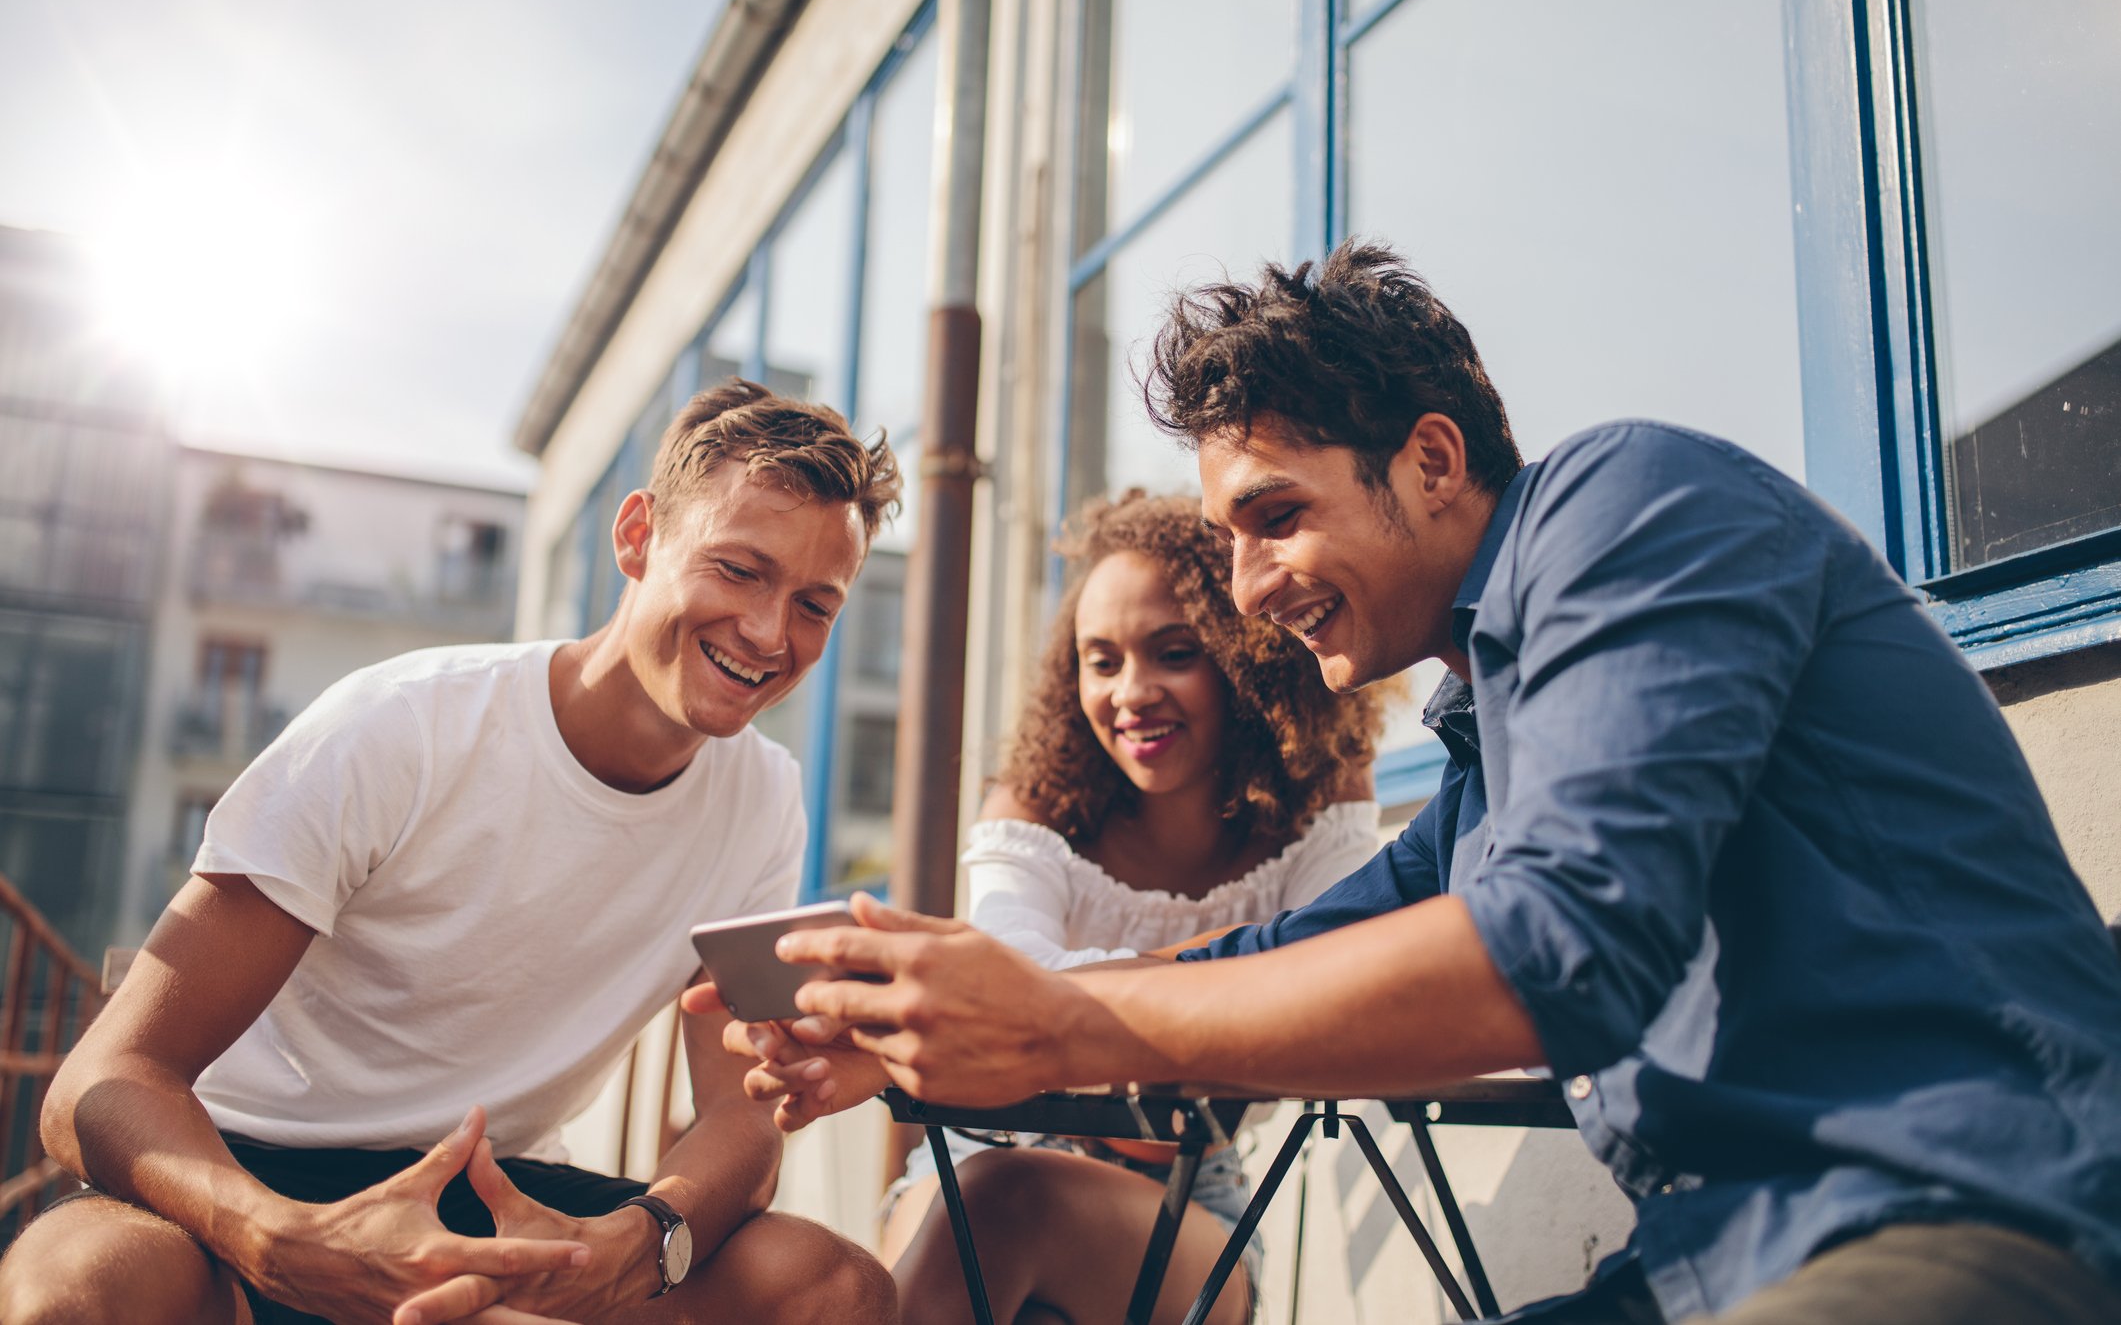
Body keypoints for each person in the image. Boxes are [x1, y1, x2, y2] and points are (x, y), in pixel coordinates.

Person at [712, 243, 2121, 1324]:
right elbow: (1273, 958)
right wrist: (922, 1031)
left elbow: (1553, 948)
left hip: (1968, 1206)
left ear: (1433, 460)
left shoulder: (1630, 505)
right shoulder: (1488, 753)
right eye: (1228, 537)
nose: (1249, 589)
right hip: (1710, 1258)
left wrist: (1056, 1025)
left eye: (1275, 516)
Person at [0, 381, 902, 1325]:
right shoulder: (402, 726)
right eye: (739, 570)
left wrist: (645, 1240)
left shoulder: (765, 798)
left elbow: (740, 1105)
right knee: (72, 1291)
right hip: (244, 1169)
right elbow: (97, 1083)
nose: (769, 633)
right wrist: (276, 1237)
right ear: (637, 537)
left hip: (494, 1191)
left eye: (814, 605)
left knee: (829, 1287)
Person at [740, 490, 1385, 1325]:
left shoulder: (1322, 798)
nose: (1131, 693)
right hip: (978, 1150)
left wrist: (1031, 1013)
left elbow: (1336, 973)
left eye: (1174, 653)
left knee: (1003, 1202)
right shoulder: (1031, 808)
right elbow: (1011, 978)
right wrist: (1242, 974)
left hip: (1187, 1190)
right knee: (988, 1195)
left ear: (1248, 655)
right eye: (1101, 661)